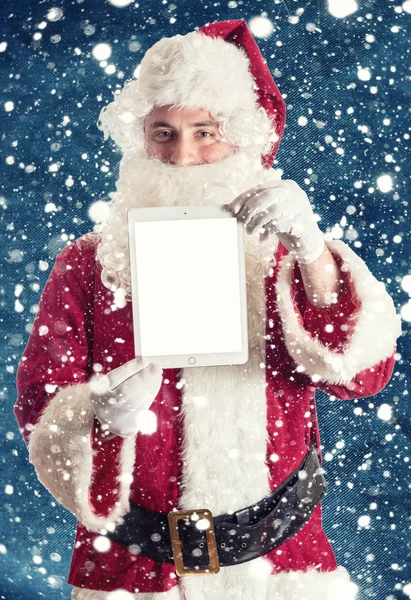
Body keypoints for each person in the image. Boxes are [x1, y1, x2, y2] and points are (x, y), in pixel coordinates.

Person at [14, 19, 401, 600]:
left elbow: (365, 376)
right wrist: (100, 415)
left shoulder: (289, 252)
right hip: (137, 573)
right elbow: (41, 405)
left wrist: (315, 253)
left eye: (206, 131)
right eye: (163, 132)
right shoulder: (88, 265)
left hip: (280, 565)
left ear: (242, 136)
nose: (182, 155)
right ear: (139, 137)